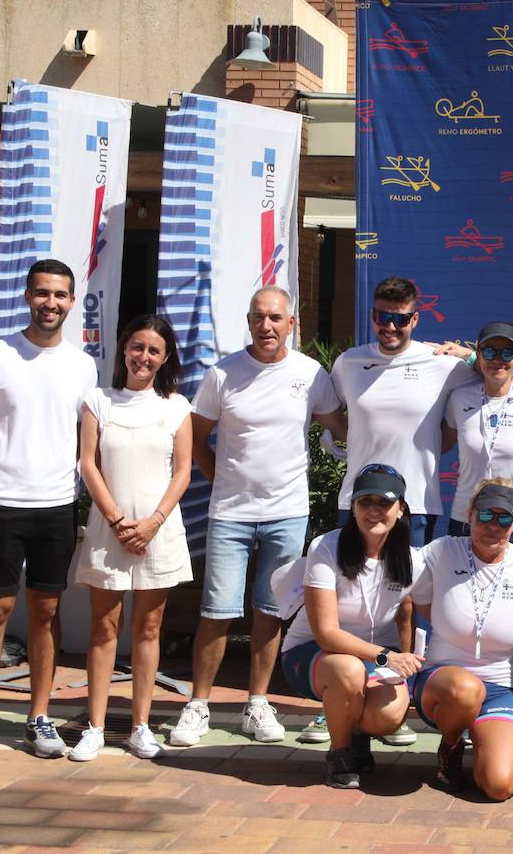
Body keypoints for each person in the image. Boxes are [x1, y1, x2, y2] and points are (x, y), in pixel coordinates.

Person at [170, 286, 346, 748]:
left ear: (291, 324)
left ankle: (257, 702)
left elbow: (340, 429)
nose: (266, 326)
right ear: (249, 322)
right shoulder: (222, 374)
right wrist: (222, 480)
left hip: (287, 513)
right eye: (258, 318)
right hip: (230, 513)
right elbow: (198, 435)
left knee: (270, 613)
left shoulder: (311, 374)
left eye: (275, 318)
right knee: (216, 612)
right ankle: (198, 706)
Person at [0, 259, 98, 765]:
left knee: (47, 612)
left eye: (59, 295)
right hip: (1, 505)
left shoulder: (83, 365)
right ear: (27, 297)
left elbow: (86, 440)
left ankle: (39, 715)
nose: (50, 303)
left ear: (72, 302)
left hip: (56, 506)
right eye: (41, 293)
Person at [68, 316, 193, 761]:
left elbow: (182, 472)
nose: (144, 357)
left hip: (159, 532)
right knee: (103, 628)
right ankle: (96, 727)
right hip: (109, 532)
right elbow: (88, 464)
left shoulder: (177, 406)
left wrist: (152, 523)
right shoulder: (97, 401)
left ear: (165, 358)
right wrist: (120, 521)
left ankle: (141, 725)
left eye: (153, 350)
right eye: (137, 347)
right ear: (124, 350)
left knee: (149, 627)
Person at [275, 465, 426, 788]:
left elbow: (407, 612)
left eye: (383, 503)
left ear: (400, 510)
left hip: (374, 660)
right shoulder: (325, 547)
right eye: (364, 502)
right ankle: (340, 752)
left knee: (387, 716)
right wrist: (388, 656)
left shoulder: (413, 558)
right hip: (313, 655)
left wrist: (406, 657)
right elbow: (326, 634)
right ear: (353, 508)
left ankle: (357, 733)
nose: (373, 511)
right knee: (348, 670)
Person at [411, 480, 513, 800]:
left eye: (504, 518)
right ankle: (451, 745)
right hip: (445, 683)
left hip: (503, 684)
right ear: (470, 514)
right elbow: (394, 567)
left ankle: (482, 735)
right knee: (465, 690)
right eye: (486, 515)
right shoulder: (443, 550)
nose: (493, 526)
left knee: (500, 786)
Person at [332, 277, 475, 549]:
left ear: (415, 319)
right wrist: (349, 436)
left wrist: (468, 355)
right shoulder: (349, 362)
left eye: (400, 319)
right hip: (357, 499)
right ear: (372, 316)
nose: (390, 327)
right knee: (351, 588)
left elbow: (498, 375)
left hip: (416, 503)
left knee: (411, 591)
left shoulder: (441, 362)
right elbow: (327, 409)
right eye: (381, 317)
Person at [444, 322, 513, 552]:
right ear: (479, 355)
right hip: (467, 518)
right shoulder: (458, 398)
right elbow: (438, 444)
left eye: (506, 353)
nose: (498, 359)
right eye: (489, 351)